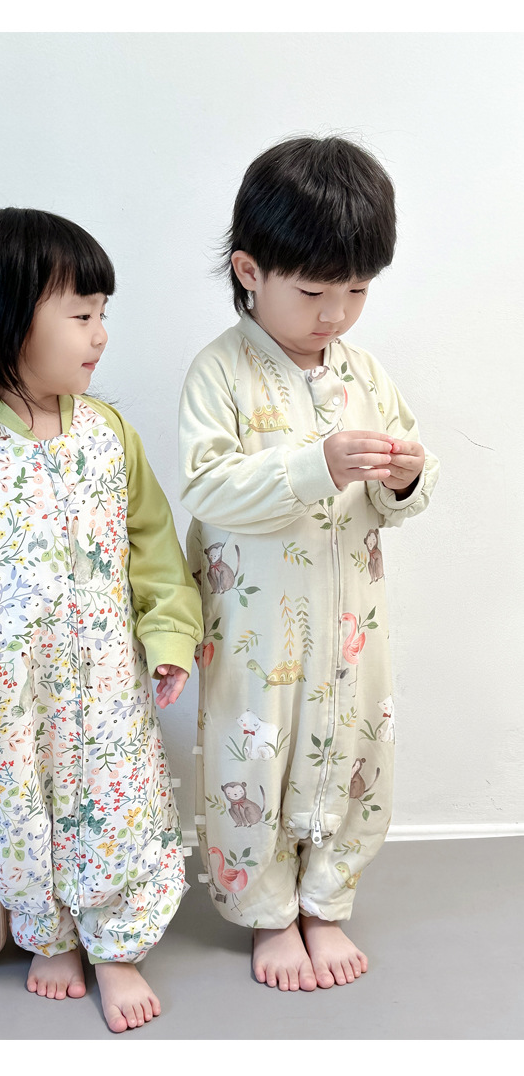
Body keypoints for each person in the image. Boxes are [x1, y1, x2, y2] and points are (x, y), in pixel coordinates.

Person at [0, 207, 202, 1032]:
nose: (100, 335)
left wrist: (169, 636)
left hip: (108, 684)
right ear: (8, 319)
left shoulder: (108, 434)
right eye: (81, 314)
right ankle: (50, 935)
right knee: (24, 814)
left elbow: (154, 547)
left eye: (103, 314)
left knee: (117, 804)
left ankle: (118, 947)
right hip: (15, 691)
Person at [178, 136, 439, 992]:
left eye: (357, 291)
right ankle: (266, 912)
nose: (336, 314)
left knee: (355, 749)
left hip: (352, 627)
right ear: (250, 272)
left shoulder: (365, 374)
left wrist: (406, 477)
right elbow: (208, 486)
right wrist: (313, 465)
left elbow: (405, 488)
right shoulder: (220, 373)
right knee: (255, 757)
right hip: (257, 634)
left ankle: (327, 899)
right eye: (316, 292)